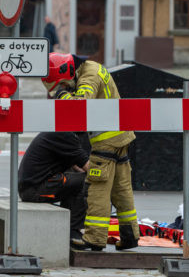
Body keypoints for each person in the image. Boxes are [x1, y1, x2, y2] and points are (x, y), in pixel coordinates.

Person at [41, 53, 139, 251]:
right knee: (121, 189)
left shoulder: (89, 77)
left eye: (64, 84)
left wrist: (61, 95)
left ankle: (94, 238)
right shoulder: (91, 68)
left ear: (67, 72)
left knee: (97, 189)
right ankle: (130, 236)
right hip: (120, 136)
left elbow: (80, 105)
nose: (66, 87)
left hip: (106, 141)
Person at [19, 132, 89, 244]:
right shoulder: (64, 135)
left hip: (31, 187)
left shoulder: (55, 131)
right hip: (35, 190)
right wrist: (108, 176)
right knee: (85, 182)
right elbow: (87, 166)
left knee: (75, 180)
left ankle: (69, 228)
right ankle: (73, 232)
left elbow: (76, 162)